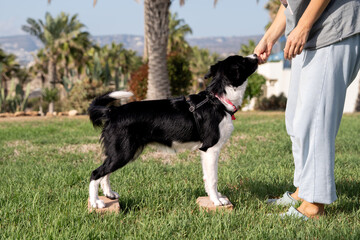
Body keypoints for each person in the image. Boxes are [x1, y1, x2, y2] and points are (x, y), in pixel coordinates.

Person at [254, 0, 360, 219]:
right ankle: (304, 189)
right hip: (308, 31)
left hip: (331, 29)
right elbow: (291, 4)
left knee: (315, 120)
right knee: (296, 119)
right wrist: (271, 36)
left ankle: (314, 204)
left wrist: (303, 26)